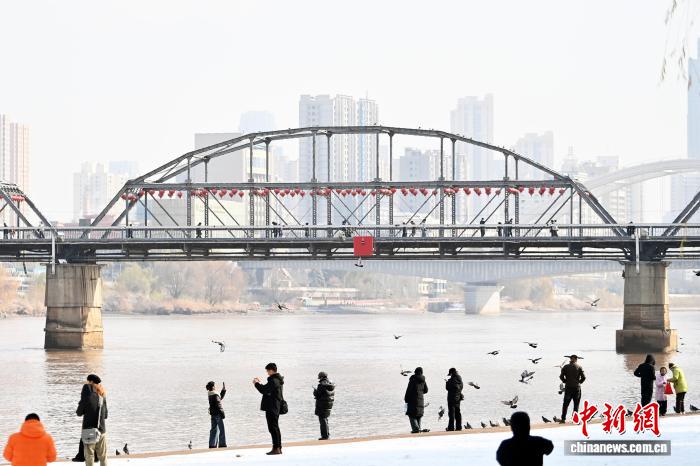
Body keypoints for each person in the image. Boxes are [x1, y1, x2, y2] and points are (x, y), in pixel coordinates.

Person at [254, 363, 285, 455]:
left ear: (271, 370)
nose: (267, 373)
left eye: (267, 371)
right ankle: (278, 448)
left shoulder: (274, 380)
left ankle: (276, 448)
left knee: (273, 428)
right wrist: (260, 384)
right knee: (275, 428)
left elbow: (264, 390)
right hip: (275, 406)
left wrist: (256, 384)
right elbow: (267, 389)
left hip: (272, 407)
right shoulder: (276, 380)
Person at [76, 374, 108, 466]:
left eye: (87, 381)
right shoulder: (102, 395)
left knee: (89, 455)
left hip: (89, 431)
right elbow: (105, 415)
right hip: (101, 430)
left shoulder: (87, 395)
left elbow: (79, 413)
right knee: (103, 456)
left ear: (91, 382)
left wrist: (82, 402)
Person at [559, 355, 585, 423]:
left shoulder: (565, 367)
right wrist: (579, 382)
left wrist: (565, 381)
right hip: (577, 388)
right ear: (576, 359)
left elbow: (561, 376)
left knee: (565, 404)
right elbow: (584, 377)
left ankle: (563, 419)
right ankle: (574, 419)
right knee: (576, 404)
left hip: (568, 388)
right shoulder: (579, 367)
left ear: (570, 359)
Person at [404, 367, 429, 433]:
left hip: (413, 400)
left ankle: (416, 429)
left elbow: (409, 390)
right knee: (418, 415)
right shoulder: (423, 380)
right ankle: (418, 429)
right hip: (420, 400)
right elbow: (426, 390)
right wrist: (420, 392)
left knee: (411, 414)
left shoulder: (413, 379)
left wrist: (406, 399)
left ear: (415, 371)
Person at [313, 372, 335, 440]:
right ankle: (327, 435)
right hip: (328, 405)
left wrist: (315, 392)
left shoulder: (321, 385)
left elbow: (318, 395)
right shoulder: (331, 385)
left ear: (321, 377)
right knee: (325, 419)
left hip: (322, 405)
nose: (319, 379)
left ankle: (325, 436)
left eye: (319, 377)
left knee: (322, 421)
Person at [206, 381, 227, 448]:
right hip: (218, 414)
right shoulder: (215, 394)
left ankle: (212, 445)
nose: (215, 386)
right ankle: (222, 444)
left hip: (213, 414)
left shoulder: (210, 394)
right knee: (221, 429)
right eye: (214, 385)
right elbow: (218, 404)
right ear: (213, 387)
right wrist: (222, 413)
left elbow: (219, 398)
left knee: (213, 430)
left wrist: (223, 390)